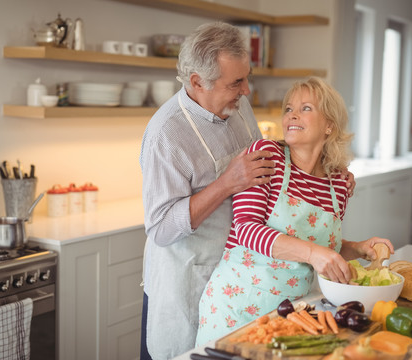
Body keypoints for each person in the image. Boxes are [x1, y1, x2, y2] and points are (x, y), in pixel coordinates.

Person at [139, 23, 355, 359]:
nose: (248, 90)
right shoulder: (165, 135)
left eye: (247, 77)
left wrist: (329, 170)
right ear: (197, 82)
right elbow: (161, 228)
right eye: (236, 82)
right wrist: (226, 183)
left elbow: (276, 163)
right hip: (190, 278)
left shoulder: (238, 105)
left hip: (252, 269)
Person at [195, 77, 393, 345]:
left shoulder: (337, 183)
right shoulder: (267, 156)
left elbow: (322, 248)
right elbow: (246, 230)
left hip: (293, 316)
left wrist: (357, 248)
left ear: (329, 125)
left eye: (306, 108)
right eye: (289, 109)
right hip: (237, 307)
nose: (292, 115)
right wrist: (315, 254)